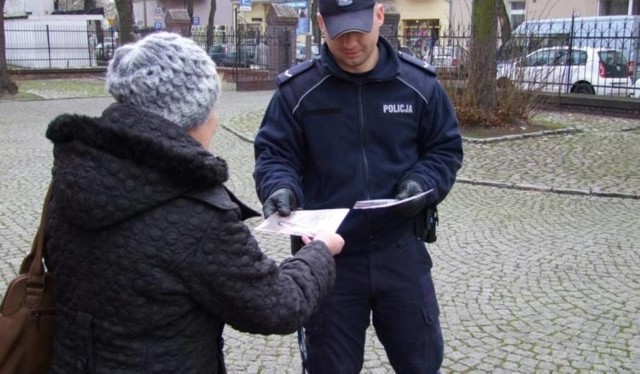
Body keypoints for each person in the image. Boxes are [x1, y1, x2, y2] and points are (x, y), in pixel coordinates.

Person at [44, 32, 344, 373]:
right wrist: (320, 251)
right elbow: (278, 306)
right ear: (193, 116)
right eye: (211, 106)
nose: (215, 118)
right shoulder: (197, 213)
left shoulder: (76, 175)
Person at [253, 1, 463, 373]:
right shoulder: (297, 91)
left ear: (379, 16)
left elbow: (444, 150)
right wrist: (280, 187)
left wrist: (421, 183)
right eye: (339, 33)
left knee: (422, 363)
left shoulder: (419, 85)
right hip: (328, 259)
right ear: (320, 24)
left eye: (358, 30)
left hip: (401, 251)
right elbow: (275, 155)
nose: (350, 43)